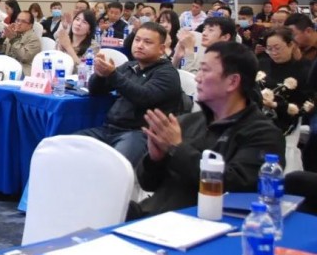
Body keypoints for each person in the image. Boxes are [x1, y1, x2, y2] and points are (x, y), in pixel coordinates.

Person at [129, 42, 286, 218]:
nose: (197, 78)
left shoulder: (263, 134)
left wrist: (176, 149)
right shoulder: (187, 122)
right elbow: (148, 184)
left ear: (232, 81)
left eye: (205, 70)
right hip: (153, 215)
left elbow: (234, 186)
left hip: (203, 222)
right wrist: (156, 159)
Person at [77, 22, 183, 167]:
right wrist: (100, 75)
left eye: (147, 42)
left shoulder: (167, 73)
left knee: (114, 166)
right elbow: (96, 91)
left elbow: (143, 97)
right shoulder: (129, 66)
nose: (140, 45)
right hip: (108, 129)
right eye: (137, 40)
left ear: (161, 49)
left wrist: (112, 74)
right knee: (65, 148)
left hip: (139, 133)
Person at [257, 27, 314, 134]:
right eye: (269, 49)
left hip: (285, 121)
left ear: (291, 45)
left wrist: (275, 105)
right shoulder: (261, 64)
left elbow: (306, 105)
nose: (273, 53)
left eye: (277, 48)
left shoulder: (304, 70)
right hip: (256, 118)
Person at [1, 11, 41, 77]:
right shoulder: (13, 34)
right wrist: (2, 38)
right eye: (17, 20)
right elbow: (0, 51)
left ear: (30, 25)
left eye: (23, 21)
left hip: (23, 71)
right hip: (7, 68)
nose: (19, 23)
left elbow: (24, 57)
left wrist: (13, 39)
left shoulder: (34, 39)